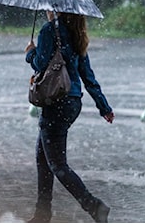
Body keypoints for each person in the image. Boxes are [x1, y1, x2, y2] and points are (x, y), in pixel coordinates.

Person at [24, 11, 115, 223]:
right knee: (43, 157)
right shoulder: (77, 34)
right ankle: (42, 214)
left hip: (56, 101)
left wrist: (30, 53)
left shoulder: (49, 31)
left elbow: (40, 64)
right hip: (73, 103)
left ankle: (95, 207)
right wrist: (104, 107)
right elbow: (88, 77)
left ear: (57, 10)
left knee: (57, 164)